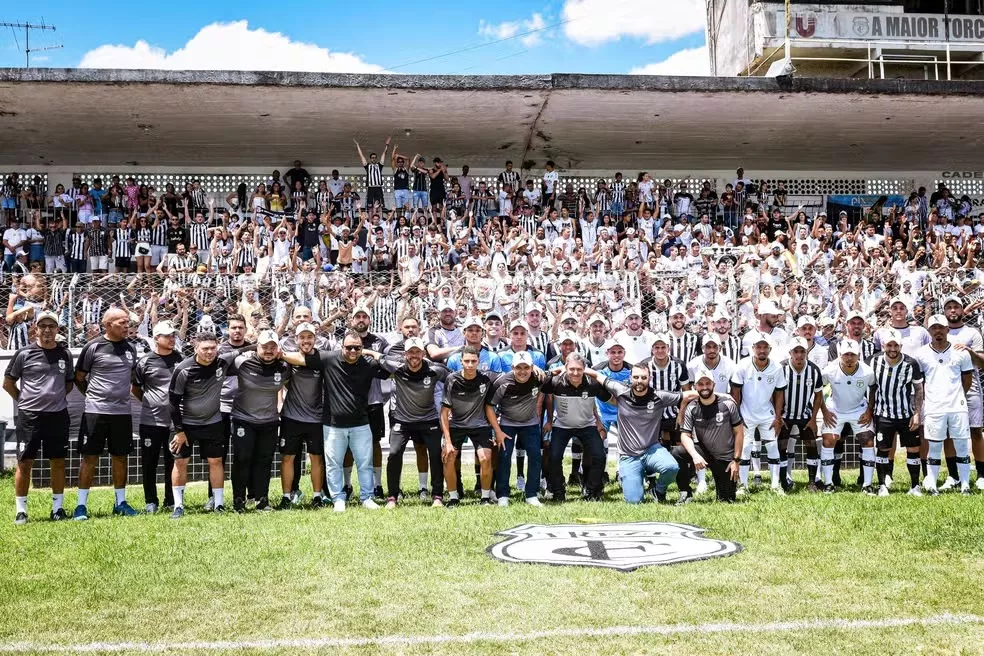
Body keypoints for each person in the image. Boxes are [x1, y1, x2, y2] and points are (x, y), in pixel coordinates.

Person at [281, 330, 388, 512]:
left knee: (365, 463)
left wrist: (372, 353)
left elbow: (392, 368)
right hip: (333, 425)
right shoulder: (329, 359)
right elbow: (299, 359)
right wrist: (277, 354)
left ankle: (367, 497)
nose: (353, 351)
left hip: (361, 423)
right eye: (349, 347)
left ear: (362, 348)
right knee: (333, 464)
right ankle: (338, 498)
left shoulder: (368, 364)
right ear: (341, 347)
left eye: (357, 348)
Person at [586, 364, 696, 504]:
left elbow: (688, 394)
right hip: (629, 456)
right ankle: (634, 482)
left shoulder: (659, 396)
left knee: (671, 467)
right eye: (636, 377)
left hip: (652, 450)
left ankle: (658, 491)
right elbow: (597, 375)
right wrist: (575, 368)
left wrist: (718, 395)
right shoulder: (620, 390)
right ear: (630, 378)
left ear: (649, 378)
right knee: (634, 501)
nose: (639, 381)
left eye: (644, 377)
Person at [4, 311, 74, 524]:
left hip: (58, 416)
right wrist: (26, 400)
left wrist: (53, 399)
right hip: (30, 417)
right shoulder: (24, 354)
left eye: (51, 326)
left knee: (58, 462)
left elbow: (68, 384)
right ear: (35, 329)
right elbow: (8, 383)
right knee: (25, 462)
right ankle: (21, 511)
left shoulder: (65, 354)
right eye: (42, 326)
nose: (47, 330)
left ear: (57, 329)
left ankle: (57, 509)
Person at [73, 307, 139, 520]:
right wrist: (93, 397)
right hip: (95, 411)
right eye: (122, 322)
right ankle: (81, 506)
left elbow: (129, 377)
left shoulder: (131, 348)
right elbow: (79, 377)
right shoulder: (93, 347)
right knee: (90, 457)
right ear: (108, 324)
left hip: (122, 412)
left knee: (120, 457)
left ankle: (120, 502)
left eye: (128, 322)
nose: (127, 326)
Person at [168, 332, 237, 518]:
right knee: (181, 462)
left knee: (215, 461)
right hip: (185, 425)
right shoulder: (183, 369)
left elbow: (246, 349)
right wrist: (179, 431)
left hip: (213, 423)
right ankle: (178, 506)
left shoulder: (222, 363)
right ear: (196, 348)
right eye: (205, 348)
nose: (209, 352)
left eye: (213, 348)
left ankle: (219, 504)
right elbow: (172, 403)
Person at [379, 337, 449, 509]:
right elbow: (375, 356)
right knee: (394, 453)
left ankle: (437, 495)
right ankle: (392, 497)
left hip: (428, 420)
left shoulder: (435, 369)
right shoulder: (396, 367)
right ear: (405, 354)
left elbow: (453, 380)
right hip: (402, 420)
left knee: (435, 454)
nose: (414, 355)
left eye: (417, 352)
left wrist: (450, 405)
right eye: (411, 352)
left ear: (423, 354)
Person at [230, 330, 291, 513]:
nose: (268, 351)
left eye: (273, 347)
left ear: (278, 349)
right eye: (264, 347)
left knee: (264, 461)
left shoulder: (284, 367)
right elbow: (219, 360)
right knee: (243, 459)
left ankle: (262, 500)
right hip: (243, 419)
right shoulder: (243, 361)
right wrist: (246, 348)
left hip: (270, 421)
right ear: (257, 347)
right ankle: (239, 501)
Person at [915, 315, 974, 495]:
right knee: (934, 446)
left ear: (947, 329)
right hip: (934, 406)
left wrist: (956, 396)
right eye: (934, 328)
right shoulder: (921, 354)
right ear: (929, 331)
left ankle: (965, 485)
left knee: (962, 446)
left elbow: (967, 380)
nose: (938, 331)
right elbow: (920, 383)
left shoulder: (961, 352)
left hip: (957, 406)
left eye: (941, 327)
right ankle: (932, 483)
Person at [541, 353, 611, 501]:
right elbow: (539, 382)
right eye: (571, 369)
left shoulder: (593, 384)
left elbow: (610, 399)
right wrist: (548, 421)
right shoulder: (555, 382)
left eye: (579, 369)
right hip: (562, 425)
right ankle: (559, 491)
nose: (575, 373)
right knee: (553, 457)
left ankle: (591, 491)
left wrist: (599, 423)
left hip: (587, 425)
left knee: (599, 456)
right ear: (565, 368)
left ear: (584, 369)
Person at [439, 346, 502, 507]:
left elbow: (511, 374)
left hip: (479, 425)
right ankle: (453, 498)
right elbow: (444, 412)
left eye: (473, 361)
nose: (470, 364)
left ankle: (485, 497)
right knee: (448, 457)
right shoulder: (452, 380)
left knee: (485, 458)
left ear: (478, 362)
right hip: (456, 425)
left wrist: (497, 431)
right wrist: (447, 441)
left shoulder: (486, 379)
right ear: (461, 362)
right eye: (466, 361)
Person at [131, 321, 183, 513]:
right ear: (156, 339)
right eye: (167, 336)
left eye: (173, 335)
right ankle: (150, 501)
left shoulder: (181, 359)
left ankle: (170, 500)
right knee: (149, 462)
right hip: (150, 421)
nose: (172, 339)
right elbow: (136, 389)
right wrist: (152, 402)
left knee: (173, 461)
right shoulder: (145, 362)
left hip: (174, 422)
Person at [673, 368, 744, 503]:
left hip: (725, 458)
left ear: (714, 385)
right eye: (701, 384)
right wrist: (695, 456)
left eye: (708, 383)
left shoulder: (728, 404)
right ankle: (685, 493)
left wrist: (736, 460)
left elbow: (739, 432)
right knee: (677, 453)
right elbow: (685, 435)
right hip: (704, 453)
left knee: (726, 500)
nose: (704, 387)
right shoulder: (692, 407)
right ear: (695, 387)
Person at [868, 328, 924, 496]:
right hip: (883, 413)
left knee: (913, 449)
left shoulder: (911, 363)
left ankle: (915, 486)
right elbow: (870, 388)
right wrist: (869, 409)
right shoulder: (872, 361)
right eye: (889, 345)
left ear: (901, 345)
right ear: (883, 345)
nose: (892, 349)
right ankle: (882, 485)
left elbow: (919, 389)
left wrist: (917, 413)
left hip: (905, 414)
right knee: (883, 449)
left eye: (896, 345)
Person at [487, 351, 547, 507]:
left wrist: (539, 402)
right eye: (518, 367)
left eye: (526, 367)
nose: (522, 371)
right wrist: (498, 431)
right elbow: (489, 407)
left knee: (535, 456)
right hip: (507, 423)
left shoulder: (539, 377)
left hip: (531, 423)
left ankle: (531, 494)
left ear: (532, 367)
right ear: (512, 367)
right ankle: (503, 495)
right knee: (504, 457)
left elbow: (557, 372)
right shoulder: (502, 383)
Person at [278, 322, 328, 509]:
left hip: (316, 417)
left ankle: (317, 496)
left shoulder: (321, 359)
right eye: (302, 337)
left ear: (315, 339)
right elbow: (283, 381)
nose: (306, 341)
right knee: (288, 457)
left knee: (316, 457)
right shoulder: (289, 360)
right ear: (296, 339)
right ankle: (286, 497)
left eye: (309, 337)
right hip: (291, 417)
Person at [819, 339, 877, 494]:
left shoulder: (867, 371)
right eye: (846, 354)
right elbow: (818, 389)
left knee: (868, 440)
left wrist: (869, 410)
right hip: (835, 409)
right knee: (829, 440)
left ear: (859, 355)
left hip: (859, 409)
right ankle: (829, 483)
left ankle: (867, 484)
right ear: (839, 355)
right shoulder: (829, 370)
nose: (849, 358)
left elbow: (873, 388)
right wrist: (824, 411)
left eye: (853, 354)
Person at [731, 334, 786, 495]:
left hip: (767, 413)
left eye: (765, 347)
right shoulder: (743, 365)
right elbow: (736, 393)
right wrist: (737, 417)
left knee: (772, 446)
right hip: (746, 414)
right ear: (753, 348)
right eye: (758, 347)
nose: (762, 350)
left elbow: (779, 394)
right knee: (746, 448)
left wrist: (777, 417)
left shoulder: (776, 367)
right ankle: (743, 485)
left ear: (770, 349)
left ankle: (775, 485)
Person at [778, 337, 824, 492]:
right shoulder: (781, 368)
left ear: (807, 352)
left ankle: (812, 482)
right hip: (785, 415)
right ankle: (783, 481)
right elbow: (774, 394)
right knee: (782, 447)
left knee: (811, 446)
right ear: (790, 352)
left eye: (802, 351)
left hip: (805, 415)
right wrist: (778, 417)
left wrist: (813, 419)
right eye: (796, 351)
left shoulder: (814, 370)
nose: (799, 355)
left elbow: (818, 395)